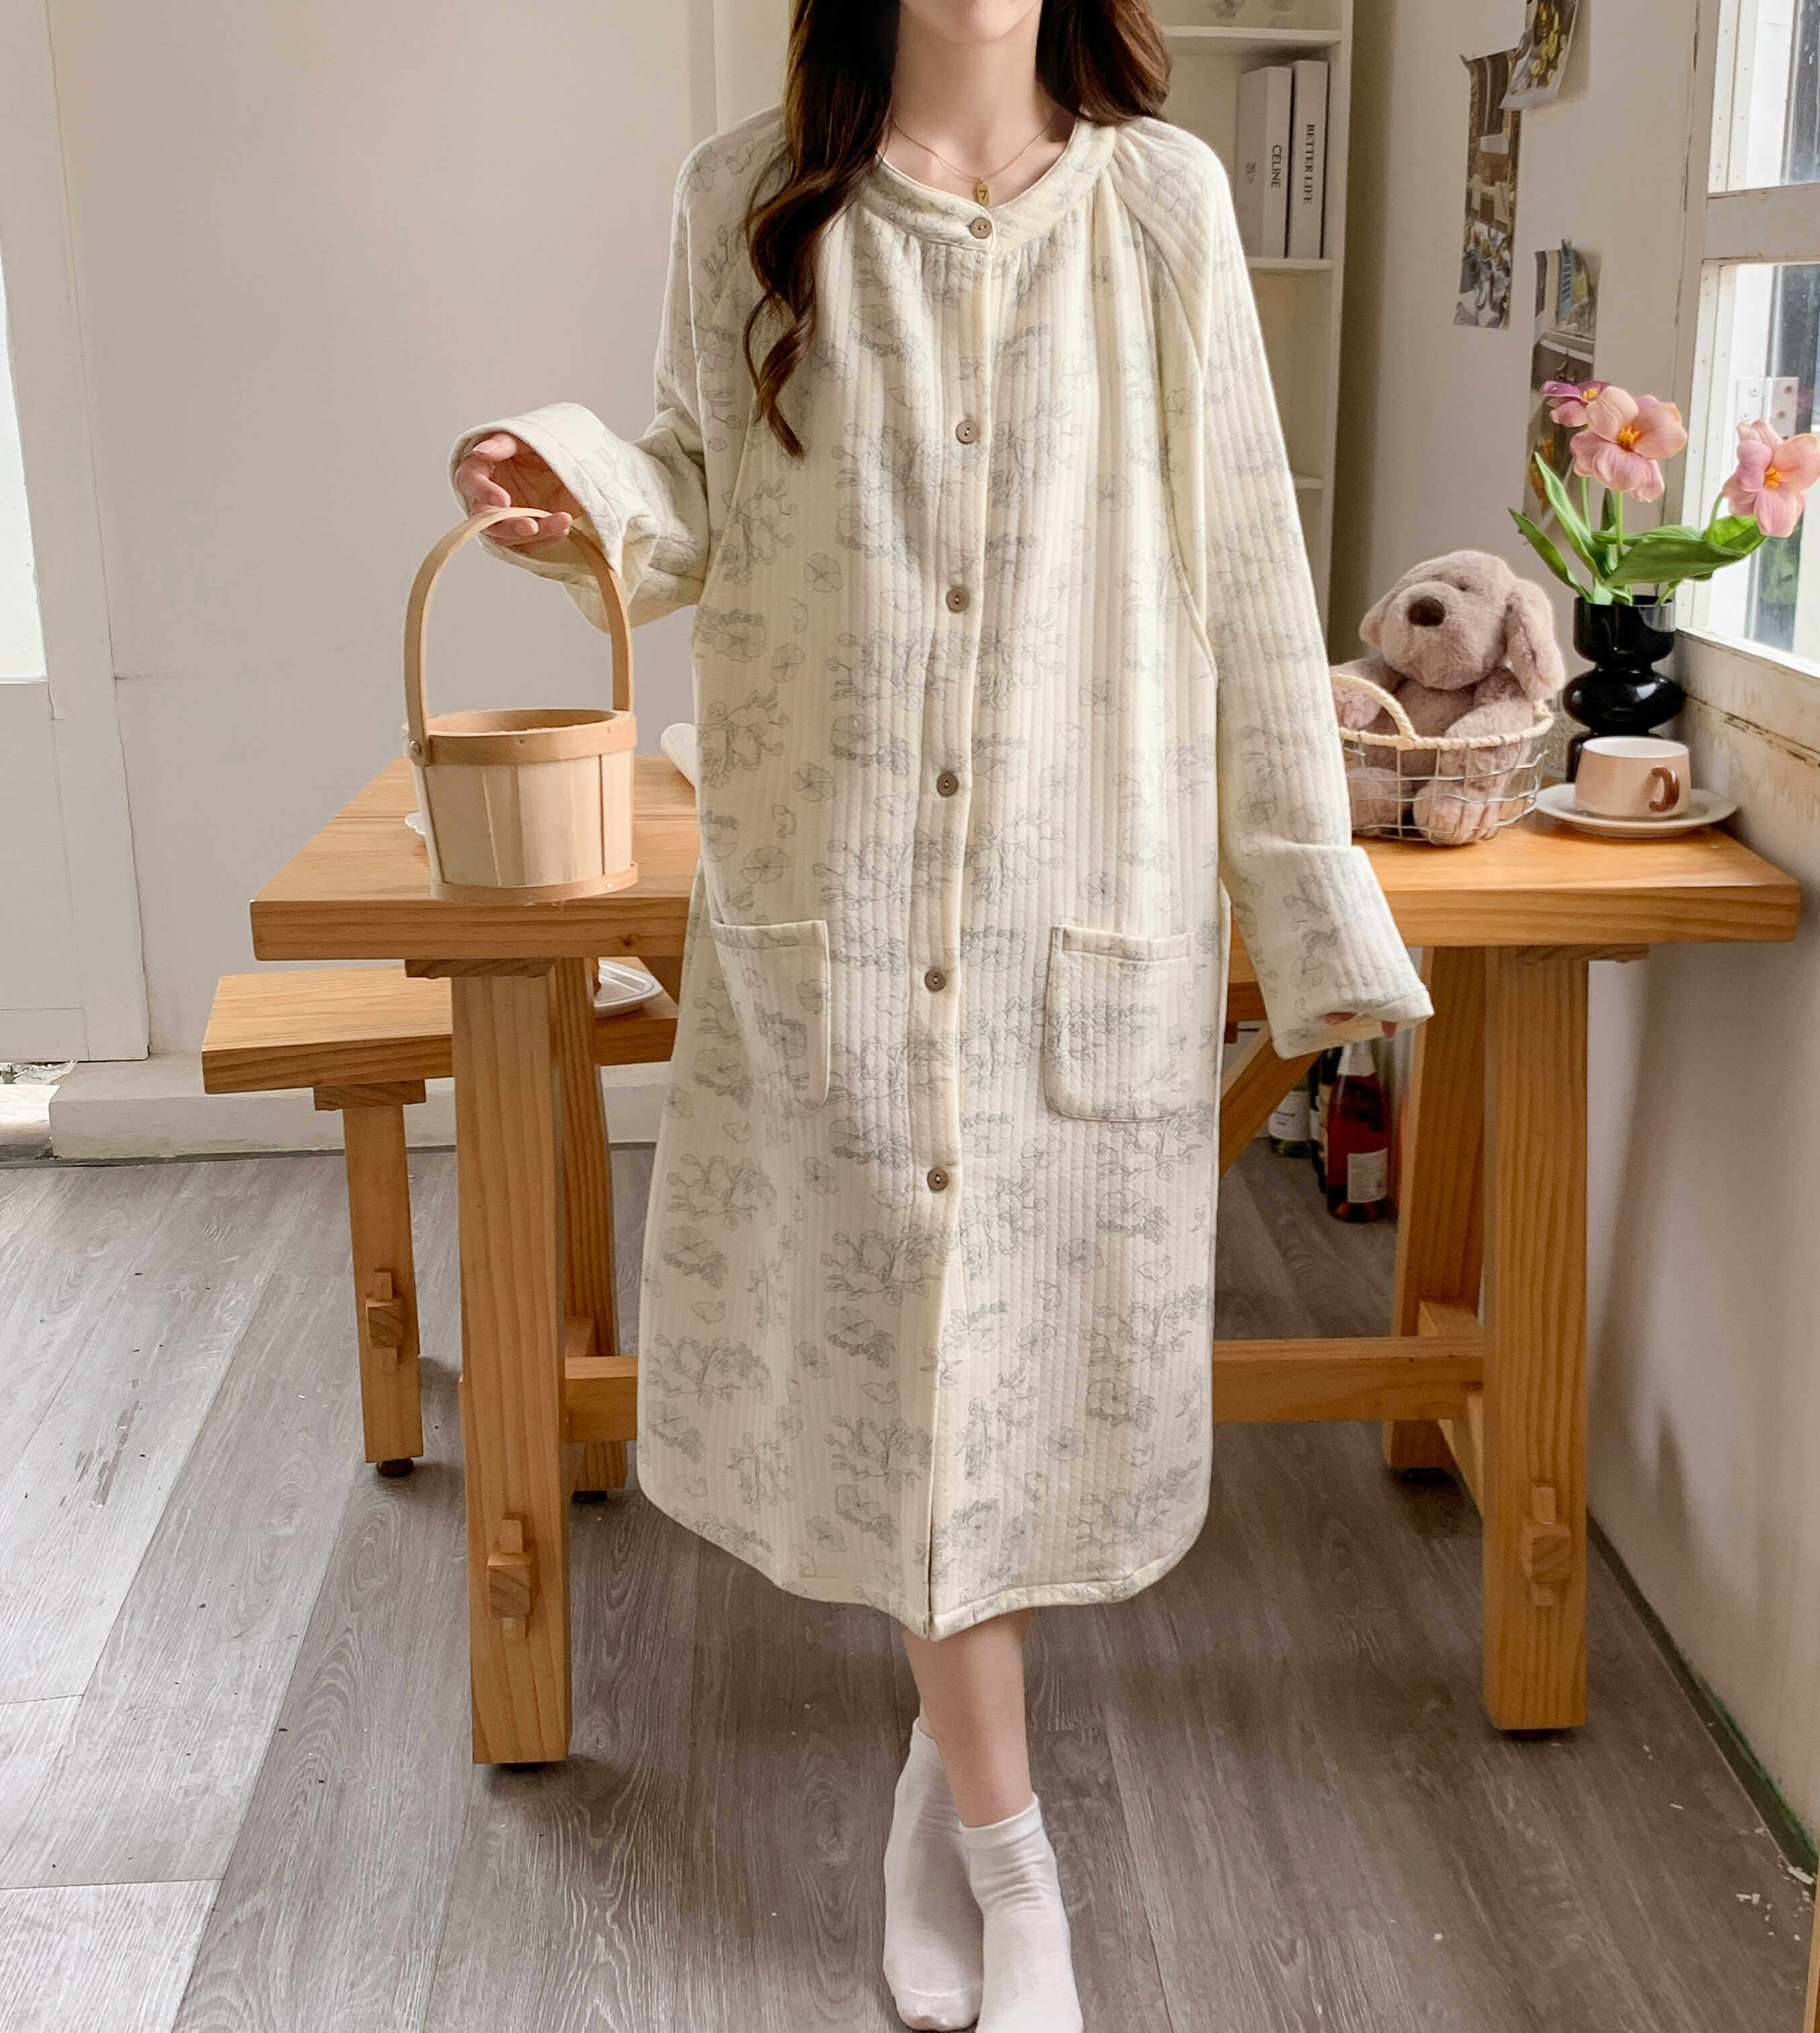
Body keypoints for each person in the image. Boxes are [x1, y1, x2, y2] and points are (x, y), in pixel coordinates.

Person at [450, 2, 1430, 2025]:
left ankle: (942, 1782)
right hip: (840, 916)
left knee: (1003, 1393)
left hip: (1084, 915)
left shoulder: (1163, 206)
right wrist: (575, 495)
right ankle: (1014, 1856)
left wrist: (1308, 911)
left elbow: (1253, 570)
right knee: (908, 1371)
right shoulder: (748, 199)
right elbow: (696, 494)